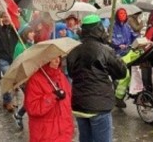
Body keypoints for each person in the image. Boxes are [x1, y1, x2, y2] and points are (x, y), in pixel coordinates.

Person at [66, 14, 127, 142]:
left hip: (79, 105)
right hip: (99, 106)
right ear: (99, 29)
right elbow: (121, 72)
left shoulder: (73, 51)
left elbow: (71, 74)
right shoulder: (105, 50)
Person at [25, 56, 74, 142]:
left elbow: (69, 100)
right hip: (46, 135)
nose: (57, 60)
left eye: (58, 57)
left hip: (64, 132)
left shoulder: (61, 76)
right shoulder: (35, 80)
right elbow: (33, 108)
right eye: (53, 58)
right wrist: (53, 97)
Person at [0, 13, 18, 112]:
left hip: (13, 58)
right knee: (8, 78)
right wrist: (0, 26)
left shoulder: (13, 29)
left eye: (8, 17)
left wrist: (14, 24)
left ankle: (7, 100)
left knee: (13, 81)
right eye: (4, 17)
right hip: (3, 58)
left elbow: (20, 35)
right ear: (1, 19)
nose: (6, 19)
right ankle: (8, 101)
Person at [13, 23, 36, 129]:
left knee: (32, 98)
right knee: (31, 98)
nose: (33, 34)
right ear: (25, 34)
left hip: (31, 75)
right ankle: (20, 115)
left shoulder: (29, 45)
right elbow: (17, 63)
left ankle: (20, 115)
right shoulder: (19, 47)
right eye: (31, 32)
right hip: (23, 77)